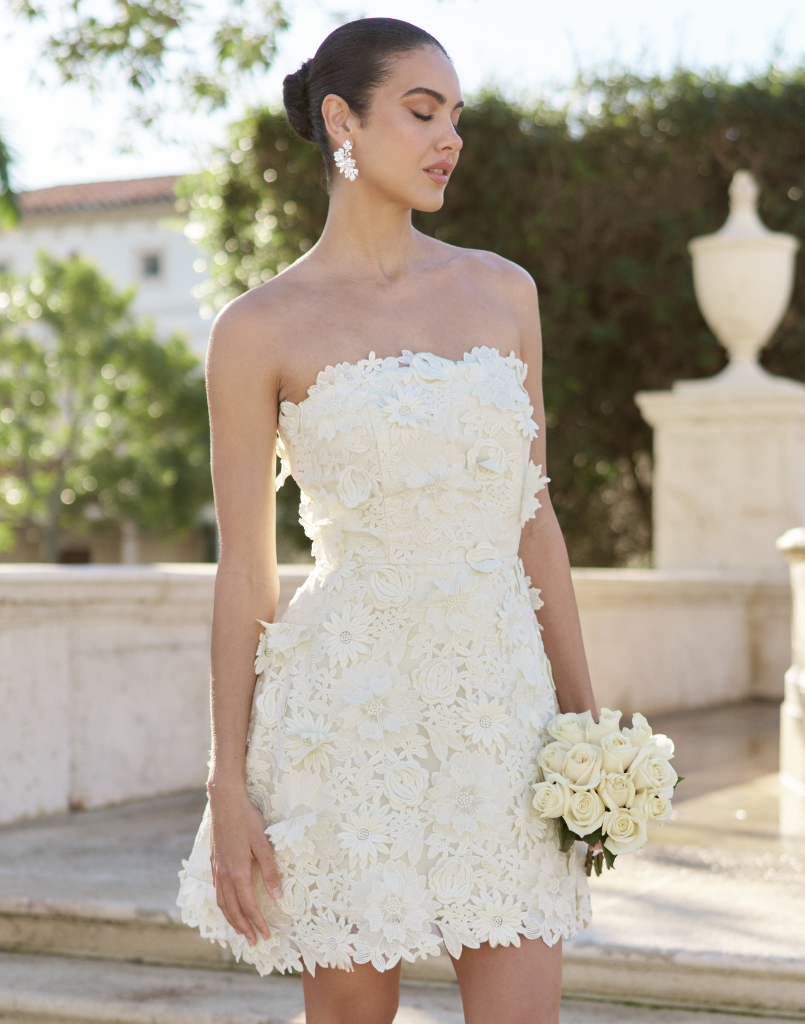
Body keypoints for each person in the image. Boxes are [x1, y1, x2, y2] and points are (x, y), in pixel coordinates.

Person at [178, 17, 597, 1024]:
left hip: (498, 703)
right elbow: (246, 572)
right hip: (345, 711)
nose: (447, 136)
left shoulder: (503, 294)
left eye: (455, 117)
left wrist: (590, 728)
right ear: (341, 121)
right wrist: (226, 781)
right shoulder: (257, 329)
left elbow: (532, 518)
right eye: (421, 111)